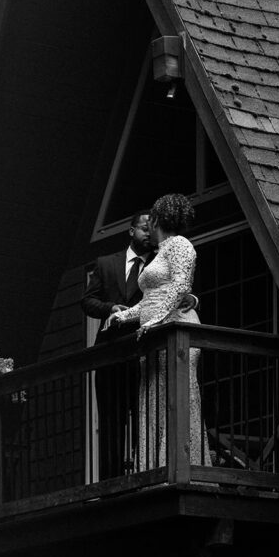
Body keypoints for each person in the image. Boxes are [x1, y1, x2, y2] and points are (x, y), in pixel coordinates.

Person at [108, 193, 206, 469]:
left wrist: (154, 323)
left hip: (174, 331)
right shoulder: (161, 251)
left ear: (157, 220)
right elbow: (149, 300)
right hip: (154, 336)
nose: (147, 226)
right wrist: (124, 316)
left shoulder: (179, 245)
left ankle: (180, 464)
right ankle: (155, 466)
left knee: (176, 394)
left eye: (149, 220)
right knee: (155, 398)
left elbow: (179, 286)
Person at [81, 212, 153, 478]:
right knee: (111, 417)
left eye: (152, 229)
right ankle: (110, 479)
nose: (149, 233)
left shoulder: (159, 263)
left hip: (143, 351)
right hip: (109, 352)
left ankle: (142, 473)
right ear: (131, 230)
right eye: (144, 228)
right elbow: (88, 302)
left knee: (144, 416)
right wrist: (110, 306)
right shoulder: (105, 264)